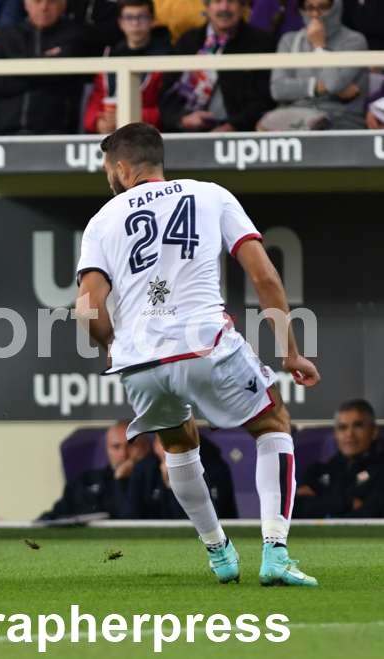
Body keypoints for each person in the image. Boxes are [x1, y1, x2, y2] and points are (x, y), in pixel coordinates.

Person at [76, 122, 321, 586]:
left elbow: (87, 306)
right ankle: (275, 552)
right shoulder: (211, 195)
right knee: (273, 423)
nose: (109, 178)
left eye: (108, 170)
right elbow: (264, 276)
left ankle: (218, 552)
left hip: (140, 361)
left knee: (178, 445)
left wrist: (111, 346)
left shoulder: (102, 220)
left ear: (123, 168)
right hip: (205, 344)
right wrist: (290, 352)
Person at [159, 0, 275, 133]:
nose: (224, 7)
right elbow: (166, 94)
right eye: (217, 1)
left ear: (243, 6)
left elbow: (264, 99)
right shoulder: (188, 41)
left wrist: (233, 126)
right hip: (183, 131)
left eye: (231, 1)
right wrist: (182, 120)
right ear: (207, 6)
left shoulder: (262, 42)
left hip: (240, 134)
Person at [0, 0, 89, 135]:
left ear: (63, 5)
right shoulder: (7, 36)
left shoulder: (75, 35)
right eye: (37, 1)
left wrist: (14, 71)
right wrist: (43, 69)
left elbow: (64, 77)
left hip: (56, 132)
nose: (44, 7)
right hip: (5, 131)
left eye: (51, 2)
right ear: (26, 4)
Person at [258, 0, 368, 131]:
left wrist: (319, 47)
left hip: (341, 119)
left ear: (336, 6)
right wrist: (317, 87)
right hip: (295, 118)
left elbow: (333, 85)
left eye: (323, 7)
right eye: (309, 8)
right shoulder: (289, 40)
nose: (315, 14)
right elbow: (278, 90)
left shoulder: (354, 41)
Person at [84, 0, 172, 134]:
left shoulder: (167, 57)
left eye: (142, 17)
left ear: (152, 20)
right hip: (111, 137)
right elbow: (94, 105)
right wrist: (98, 123)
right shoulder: (109, 56)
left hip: (151, 136)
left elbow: (168, 111)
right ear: (120, 23)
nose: (135, 23)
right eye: (129, 17)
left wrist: (128, 117)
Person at [37, 422, 151, 520]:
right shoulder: (85, 481)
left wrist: (122, 481)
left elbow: (130, 521)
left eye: (131, 446)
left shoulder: (156, 481)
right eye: (116, 447)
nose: (123, 454)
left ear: (146, 447)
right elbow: (56, 516)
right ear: (107, 449)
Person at [294, 399, 384, 518]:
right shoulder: (317, 471)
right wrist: (347, 502)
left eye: (358, 426)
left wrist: (323, 502)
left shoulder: (380, 471)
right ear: (335, 434)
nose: (349, 434)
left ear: (373, 432)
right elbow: (298, 508)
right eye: (342, 427)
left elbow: (373, 512)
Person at [125, 434, 238, 519]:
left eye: (175, 442)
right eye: (162, 442)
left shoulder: (213, 467)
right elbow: (132, 518)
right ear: (155, 446)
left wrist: (174, 482)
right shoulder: (145, 470)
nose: (169, 448)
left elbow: (205, 519)